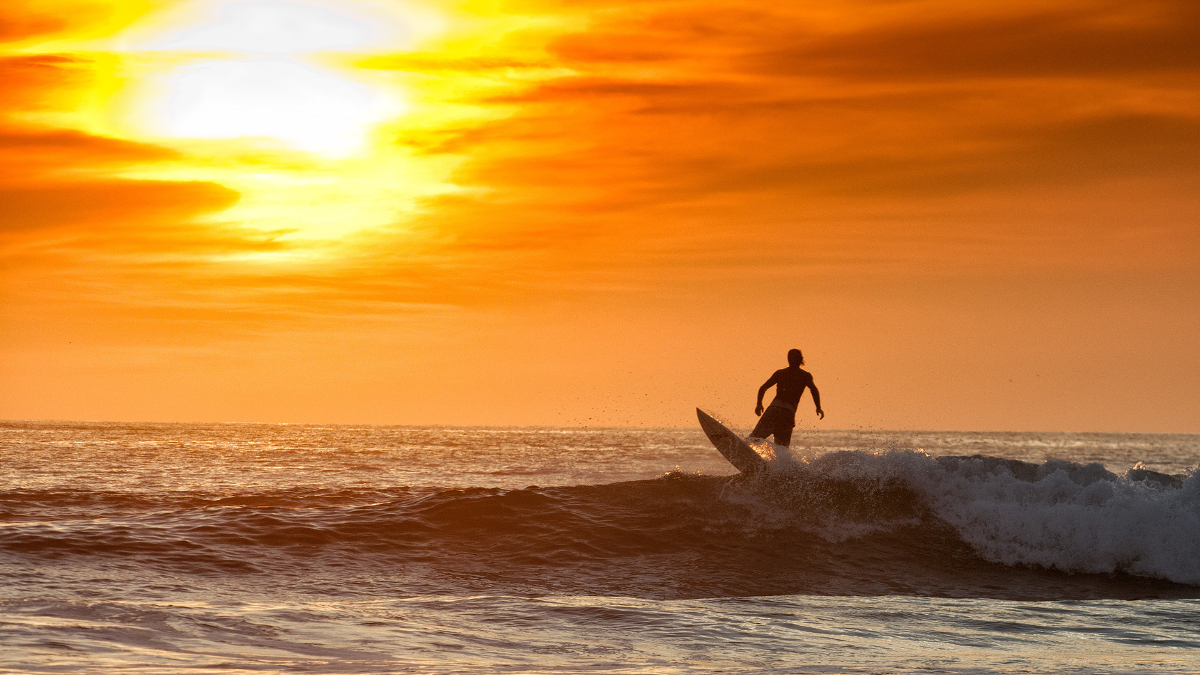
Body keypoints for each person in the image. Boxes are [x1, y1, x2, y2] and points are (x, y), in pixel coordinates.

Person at [750, 348, 823, 447]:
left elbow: (763, 388)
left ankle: (743, 450)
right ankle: (780, 462)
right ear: (801, 360)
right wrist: (818, 407)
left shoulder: (781, 373)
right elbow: (813, 390)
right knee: (782, 449)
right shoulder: (805, 376)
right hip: (788, 414)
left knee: (754, 438)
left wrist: (759, 404)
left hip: (774, 410)